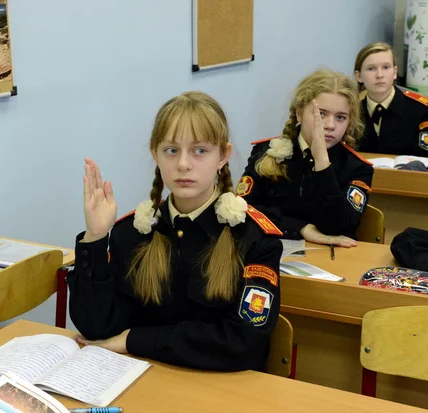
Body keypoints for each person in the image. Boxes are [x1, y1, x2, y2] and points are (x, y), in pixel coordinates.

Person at [68, 91, 283, 372]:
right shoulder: (131, 233)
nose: (183, 164)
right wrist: (95, 238)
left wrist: (135, 340)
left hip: (221, 388)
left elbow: (241, 343)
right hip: (143, 378)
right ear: (155, 154)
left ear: (223, 155)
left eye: (200, 151)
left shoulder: (254, 238)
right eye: (171, 150)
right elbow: (97, 328)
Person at [236, 69, 373, 246]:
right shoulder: (266, 152)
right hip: (272, 248)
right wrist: (301, 228)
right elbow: (243, 209)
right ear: (299, 113)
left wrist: (322, 163)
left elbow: (341, 226)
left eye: (340, 117)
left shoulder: (357, 168)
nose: (330, 125)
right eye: (321, 114)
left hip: (331, 258)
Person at [354, 42, 428, 156]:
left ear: (394, 72)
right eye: (371, 69)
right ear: (359, 76)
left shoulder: (421, 110)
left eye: (386, 67)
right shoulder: (352, 112)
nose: (379, 75)